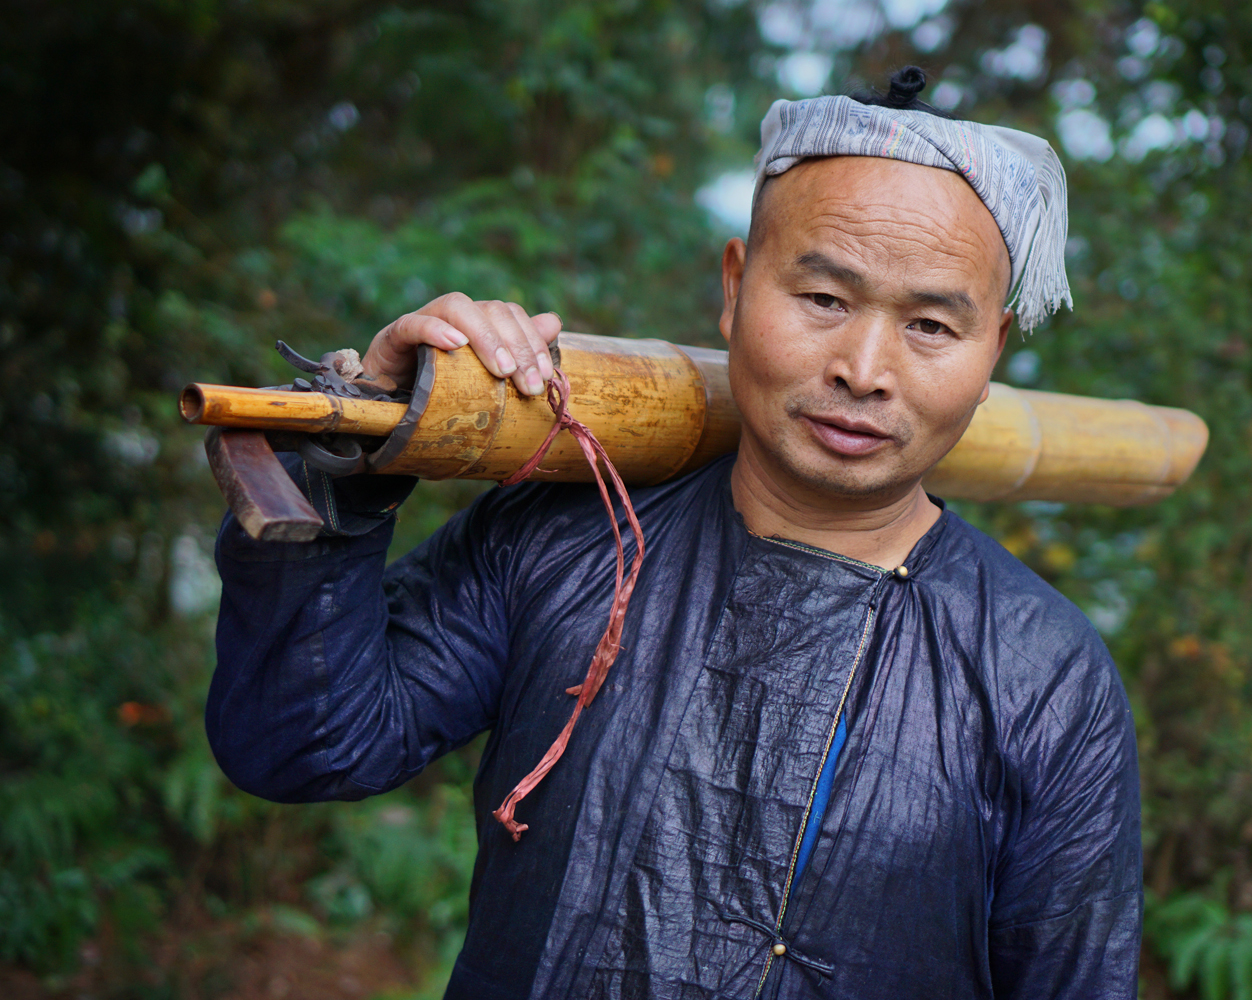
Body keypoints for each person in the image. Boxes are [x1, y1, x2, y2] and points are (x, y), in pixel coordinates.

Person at [207, 67, 1142, 999]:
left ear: (994, 354)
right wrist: (357, 440)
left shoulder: (1042, 674)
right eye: (823, 300)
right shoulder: (569, 542)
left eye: (932, 324)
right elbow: (302, 745)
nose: (865, 370)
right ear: (735, 287)